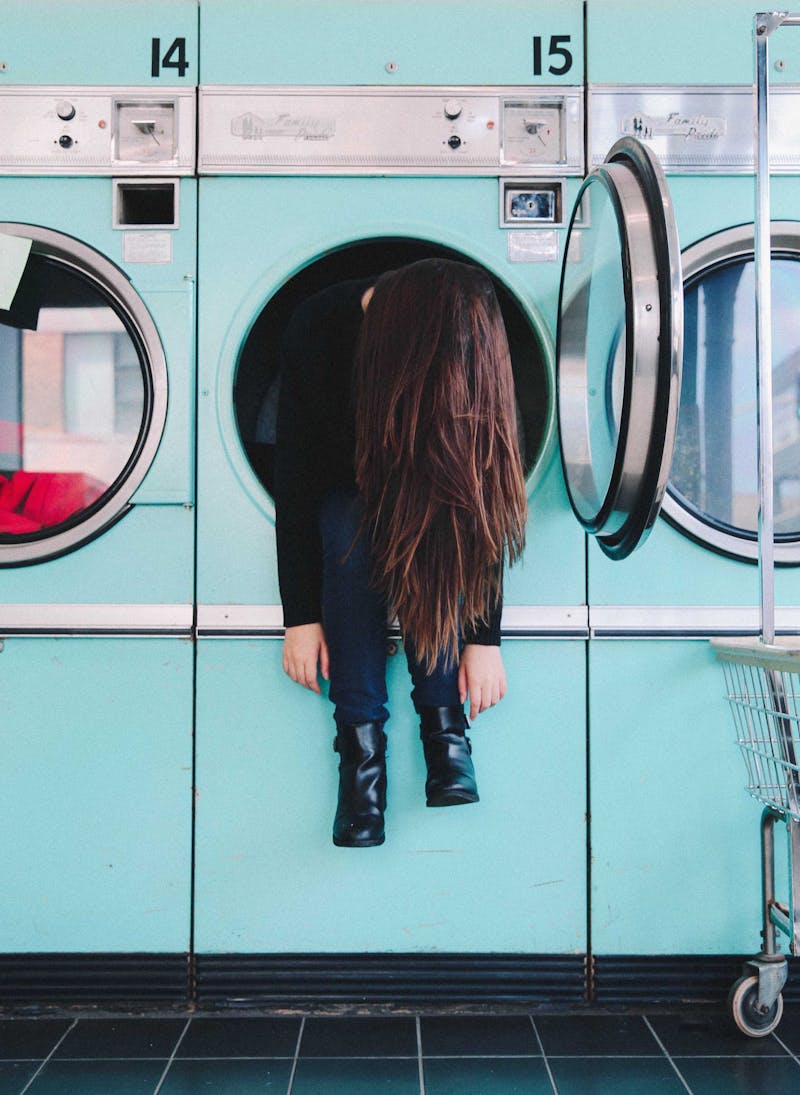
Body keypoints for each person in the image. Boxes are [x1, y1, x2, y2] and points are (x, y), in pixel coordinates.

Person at [273, 258, 528, 847]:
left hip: (429, 508)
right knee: (347, 518)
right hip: (345, 511)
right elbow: (295, 485)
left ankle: (444, 731)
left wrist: (484, 637)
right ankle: (361, 766)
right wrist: (300, 617)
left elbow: (482, 492)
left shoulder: (467, 330)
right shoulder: (317, 330)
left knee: (433, 511)